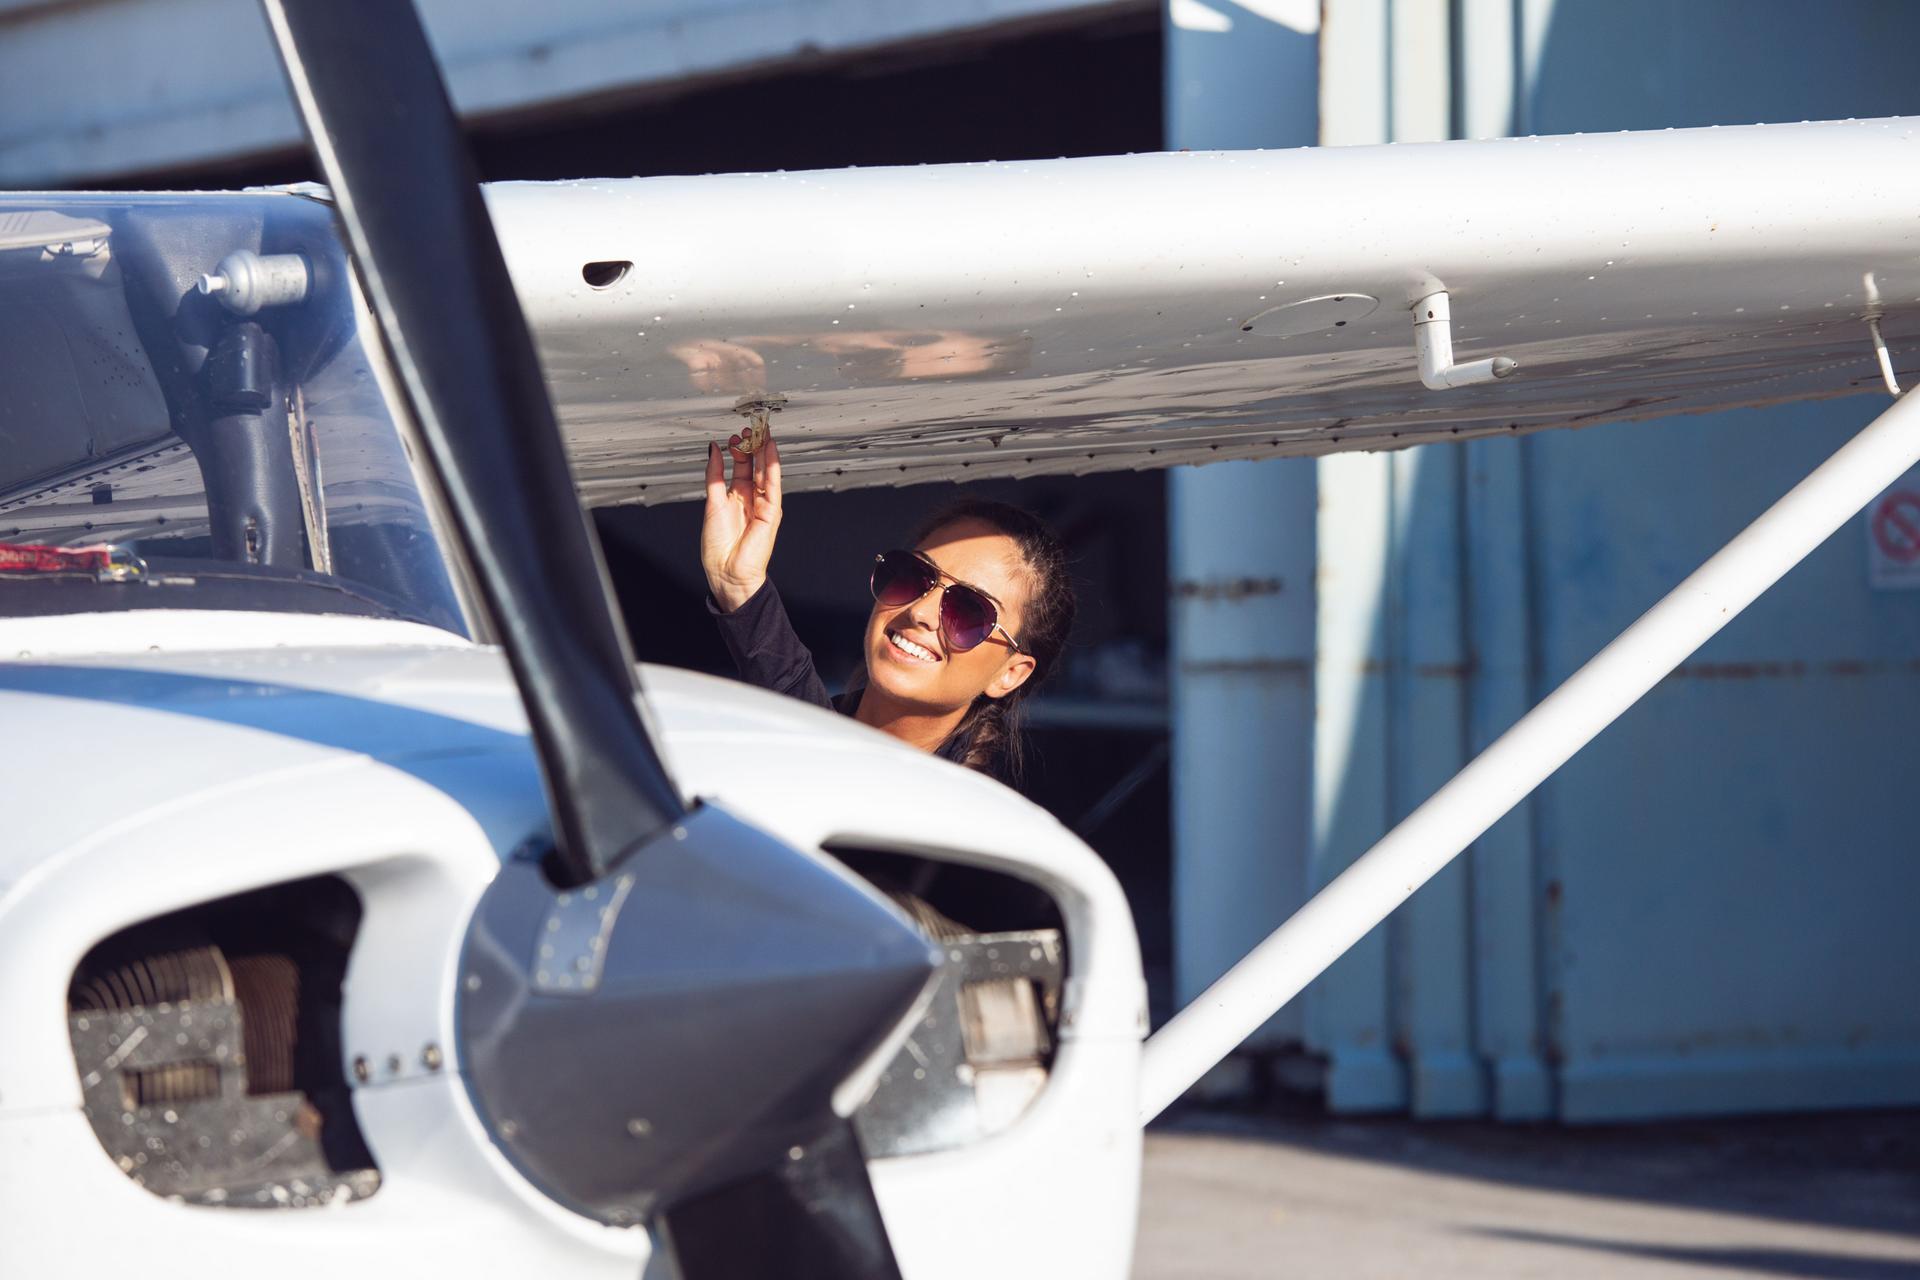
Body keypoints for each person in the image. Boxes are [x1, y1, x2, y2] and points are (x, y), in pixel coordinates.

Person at [701, 431, 1074, 784]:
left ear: (1009, 674)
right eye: (914, 576)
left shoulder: (955, 834)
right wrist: (740, 585)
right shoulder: (764, 747)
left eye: (970, 611)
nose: (920, 612)